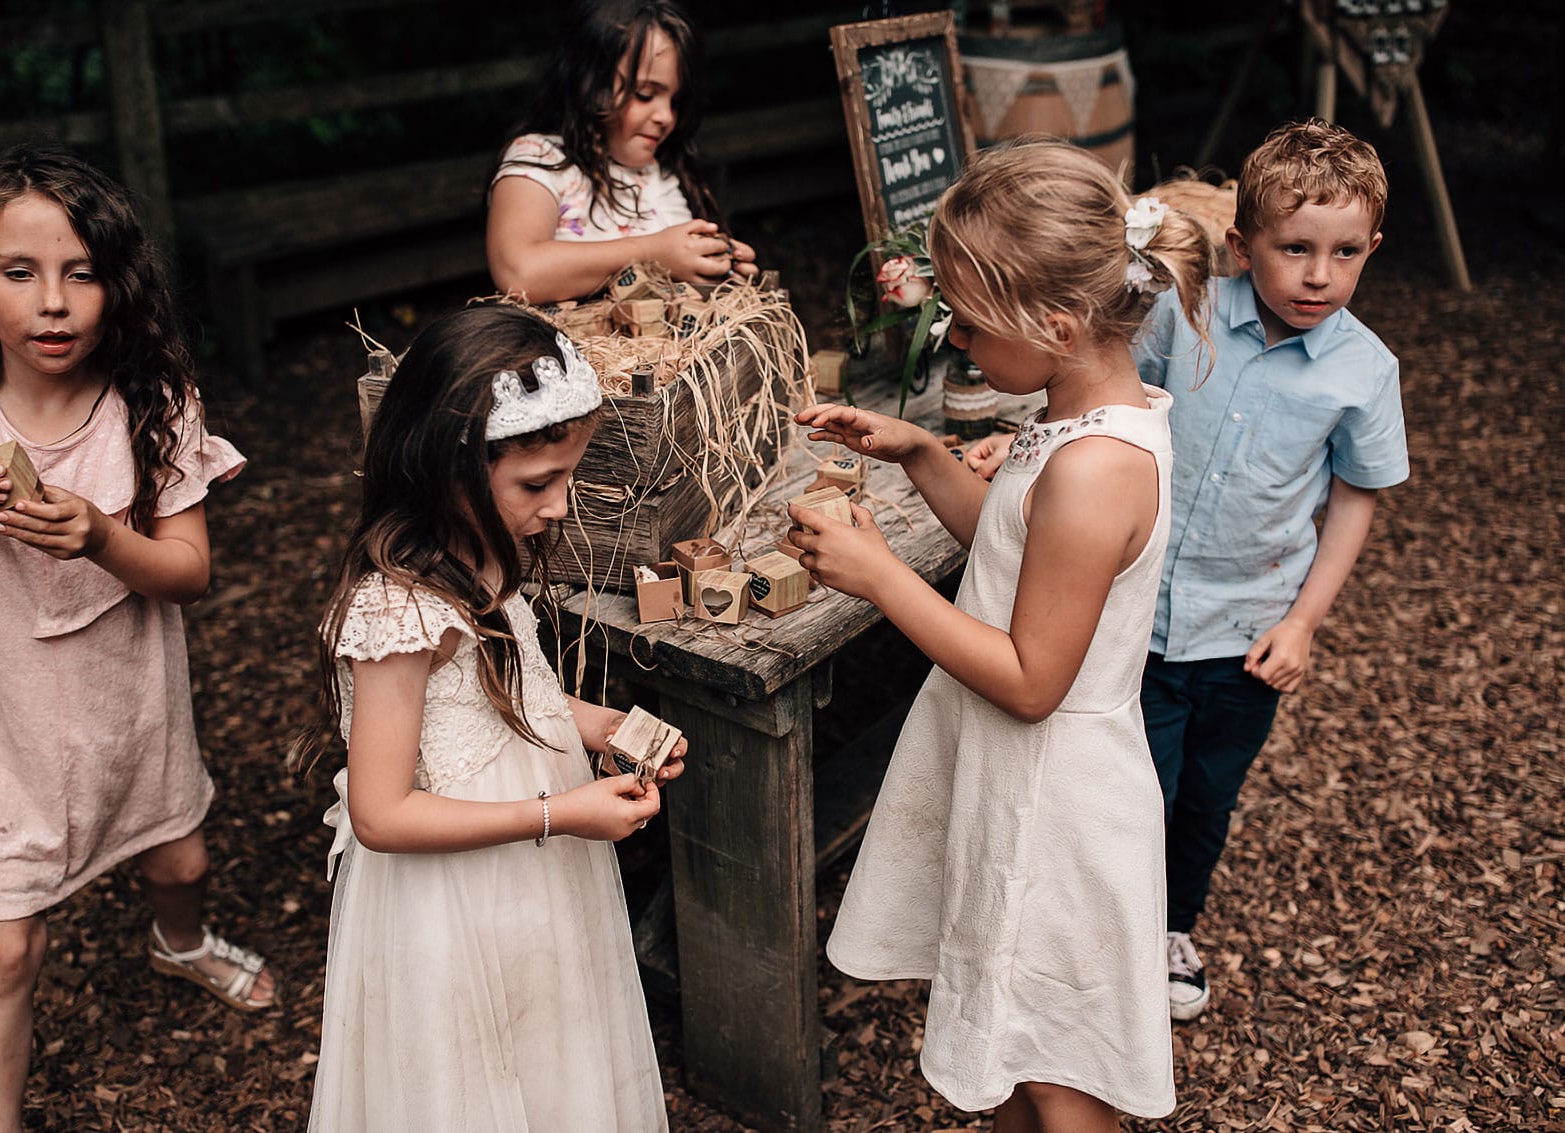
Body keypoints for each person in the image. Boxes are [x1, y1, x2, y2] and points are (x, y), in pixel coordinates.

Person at [791, 140, 1215, 1132]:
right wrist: (924, 453)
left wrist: (878, 574)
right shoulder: (1074, 414)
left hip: (1056, 804)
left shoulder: (1094, 466)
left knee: (1059, 1074)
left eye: (970, 324)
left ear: (1055, 323)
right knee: (1017, 1045)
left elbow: (1031, 674)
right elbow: (1019, 563)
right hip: (1019, 780)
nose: (955, 340)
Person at [0, 143, 273, 1133]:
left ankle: (179, 944)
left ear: (117, 281)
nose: (54, 302)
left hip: (129, 704)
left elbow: (190, 570)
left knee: (177, 863)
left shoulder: (154, 402)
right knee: (5, 949)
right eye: (20, 272)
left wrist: (101, 536)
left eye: (81, 272)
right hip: (0, 725)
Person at [305, 304, 685, 1132]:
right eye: (536, 483)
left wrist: (607, 725)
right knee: (473, 1076)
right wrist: (559, 812)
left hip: (536, 867)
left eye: (570, 476)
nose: (559, 505)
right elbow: (380, 811)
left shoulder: (487, 550)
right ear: (447, 465)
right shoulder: (398, 607)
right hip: (456, 888)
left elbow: (519, 699)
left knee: (544, 1044)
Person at [1131, 118, 1408, 1023]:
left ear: (1370, 249)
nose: (1320, 275)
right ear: (1242, 244)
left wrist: (1303, 622)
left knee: (1208, 792)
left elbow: (1357, 497)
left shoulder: (1364, 372)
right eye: (1295, 249)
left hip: (1251, 630)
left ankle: (1173, 924)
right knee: (1137, 785)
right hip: (1140, 612)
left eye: (1345, 252)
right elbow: (1120, 407)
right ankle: (1108, 930)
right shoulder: (1187, 309)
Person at [486, 0, 758, 302]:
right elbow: (519, 272)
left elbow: (676, 270)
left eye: (675, 101)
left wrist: (717, 265)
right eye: (645, 95)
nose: (665, 117)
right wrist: (651, 253)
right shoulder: (539, 158)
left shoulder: (659, 171)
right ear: (590, 82)